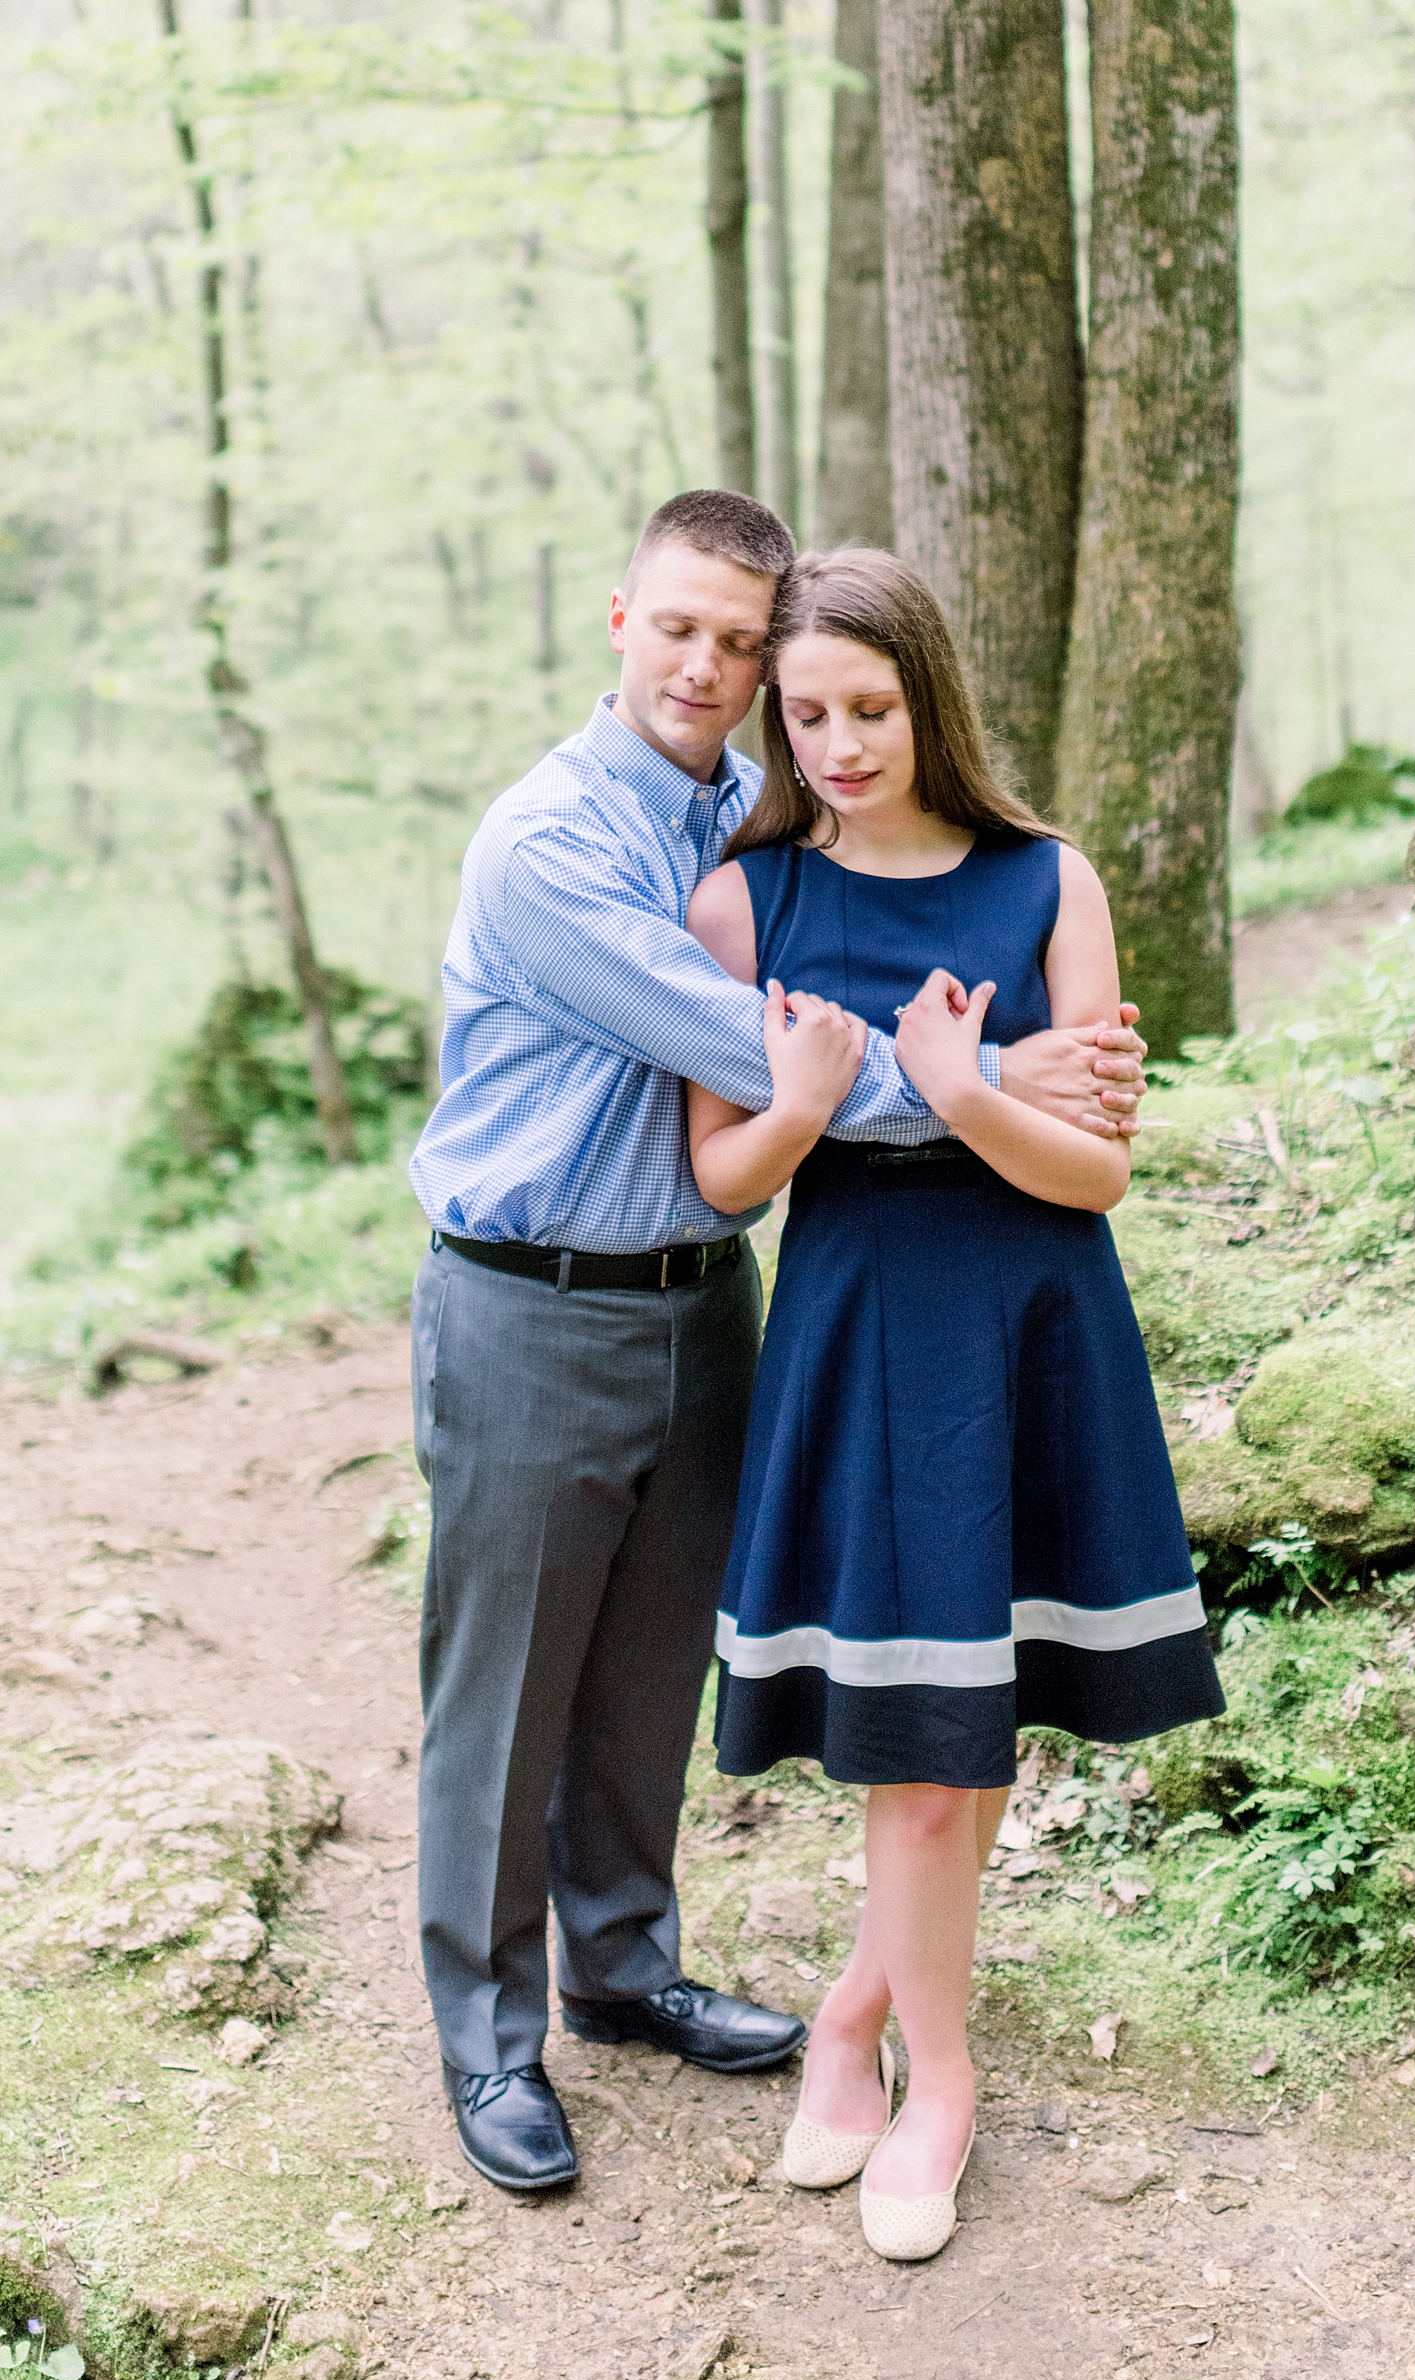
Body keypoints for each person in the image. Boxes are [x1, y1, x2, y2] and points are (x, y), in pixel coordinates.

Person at [407, 490, 1149, 2196]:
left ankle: (622, 1965)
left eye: (740, 646)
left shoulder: (742, 807)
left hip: (705, 1296)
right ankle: (487, 2040)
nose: (711, 667)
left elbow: (855, 968)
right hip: (529, 1296)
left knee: (649, 1662)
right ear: (620, 620)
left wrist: (1031, 1084)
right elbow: (741, 1044)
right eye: (682, 629)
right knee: (503, 1685)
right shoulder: (551, 847)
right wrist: (993, 1084)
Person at [684, 547, 1224, 2262]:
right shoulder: (743, 902)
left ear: (930, 697)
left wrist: (955, 1089)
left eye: (872, 709)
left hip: (1032, 1317)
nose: (839, 745)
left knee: (963, 1741)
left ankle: (878, 2035)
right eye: (809, 715)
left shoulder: (1043, 878)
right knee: (916, 1763)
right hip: (859, 1331)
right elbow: (723, 1177)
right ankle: (934, 2070)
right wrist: (825, 1097)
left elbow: (1099, 1170)